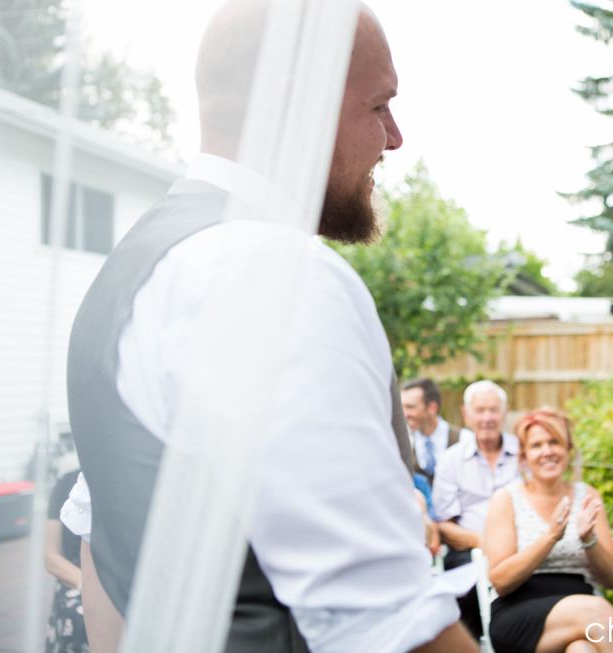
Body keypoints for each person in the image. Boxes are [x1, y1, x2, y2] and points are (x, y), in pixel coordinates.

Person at [65, 2, 477, 652]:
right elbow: (388, 627)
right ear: (298, 103)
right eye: (377, 106)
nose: (394, 137)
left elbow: (100, 550)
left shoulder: (136, 268)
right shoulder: (271, 273)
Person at [482, 408, 613, 653]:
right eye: (537, 445)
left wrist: (589, 539)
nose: (547, 451)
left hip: (580, 607)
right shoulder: (506, 499)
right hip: (520, 611)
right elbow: (501, 581)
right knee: (598, 611)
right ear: (524, 455)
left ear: (568, 449)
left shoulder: (587, 495)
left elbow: (612, 581)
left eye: (554, 442)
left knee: (582, 650)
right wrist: (551, 536)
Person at [432, 379, 521, 638]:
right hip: (469, 549)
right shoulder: (451, 460)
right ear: (466, 414)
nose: (487, 418)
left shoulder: (523, 452)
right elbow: (444, 525)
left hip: (521, 547)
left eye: (493, 410)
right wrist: (482, 542)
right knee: (465, 584)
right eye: (480, 411)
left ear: (504, 413)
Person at [44, 468, 88, 653]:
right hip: (75, 579)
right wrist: (87, 586)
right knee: (80, 619)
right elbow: (51, 557)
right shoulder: (67, 483)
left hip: (124, 580)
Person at [402, 378, 463, 487]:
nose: (405, 413)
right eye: (402, 407)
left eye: (410, 407)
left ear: (432, 408)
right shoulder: (402, 441)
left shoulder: (463, 439)